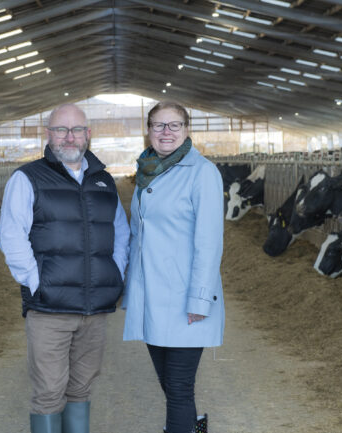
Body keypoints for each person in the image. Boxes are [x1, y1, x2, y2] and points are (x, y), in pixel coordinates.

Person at [0, 103, 130, 433]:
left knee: (81, 389)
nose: (68, 137)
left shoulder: (104, 182)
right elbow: (10, 235)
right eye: (60, 130)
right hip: (49, 310)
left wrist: (115, 274)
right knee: (49, 392)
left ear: (88, 135)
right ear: (48, 134)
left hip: (94, 311)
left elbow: (122, 234)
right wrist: (35, 281)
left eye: (76, 130)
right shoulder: (27, 178)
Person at [122, 101, 225, 433]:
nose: (166, 132)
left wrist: (199, 299)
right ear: (149, 130)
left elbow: (208, 243)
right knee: (169, 383)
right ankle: (195, 427)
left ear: (186, 129)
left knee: (179, 389)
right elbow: (139, 235)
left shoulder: (203, 172)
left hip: (183, 298)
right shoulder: (146, 170)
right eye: (158, 125)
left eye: (174, 125)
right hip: (152, 295)